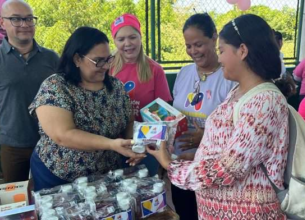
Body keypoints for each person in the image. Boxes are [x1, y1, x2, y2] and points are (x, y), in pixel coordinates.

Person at [148, 14, 289, 219]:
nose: (220, 57)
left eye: (222, 50)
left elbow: (227, 170)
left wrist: (170, 164)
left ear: (242, 51)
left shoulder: (264, 102)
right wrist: (196, 157)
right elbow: (229, 149)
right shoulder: (240, 91)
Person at [29, 26, 145, 191]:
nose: (105, 66)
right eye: (98, 61)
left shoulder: (116, 86)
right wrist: (111, 144)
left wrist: (132, 145)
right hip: (58, 176)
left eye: (108, 59)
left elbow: (129, 122)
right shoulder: (56, 87)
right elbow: (64, 135)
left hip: (105, 175)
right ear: (77, 59)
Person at [170, 13, 235, 220]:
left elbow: (237, 129)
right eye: (188, 46)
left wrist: (206, 135)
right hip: (180, 163)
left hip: (210, 170)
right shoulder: (183, 73)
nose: (193, 51)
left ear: (214, 37)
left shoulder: (230, 78)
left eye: (198, 44)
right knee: (185, 214)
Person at [0, 0, 59, 183]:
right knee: (17, 203)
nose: (24, 24)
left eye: (29, 19)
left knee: (51, 197)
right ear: (3, 23)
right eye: (16, 19)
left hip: (50, 143)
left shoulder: (51, 58)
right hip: (11, 146)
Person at [110, 13, 172, 176]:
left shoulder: (155, 69)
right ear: (114, 41)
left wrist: (143, 146)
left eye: (132, 37)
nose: (127, 43)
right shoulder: (107, 68)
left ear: (140, 37)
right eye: (121, 39)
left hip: (145, 145)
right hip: (112, 143)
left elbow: (162, 115)